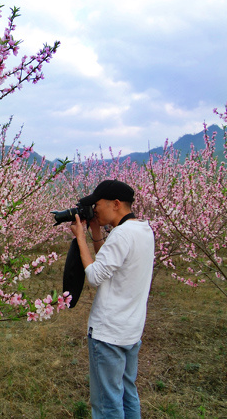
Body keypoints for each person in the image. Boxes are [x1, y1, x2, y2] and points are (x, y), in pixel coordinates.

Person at [69, 180, 155, 419]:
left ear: (115, 204)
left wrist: (80, 239)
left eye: (97, 204)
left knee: (108, 404)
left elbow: (95, 276)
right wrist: (96, 232)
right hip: (130, 330)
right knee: (128, 393)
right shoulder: (143, 230)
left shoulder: (122, 235)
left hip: (108, 334)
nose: (94, 209)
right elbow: (111, 263)